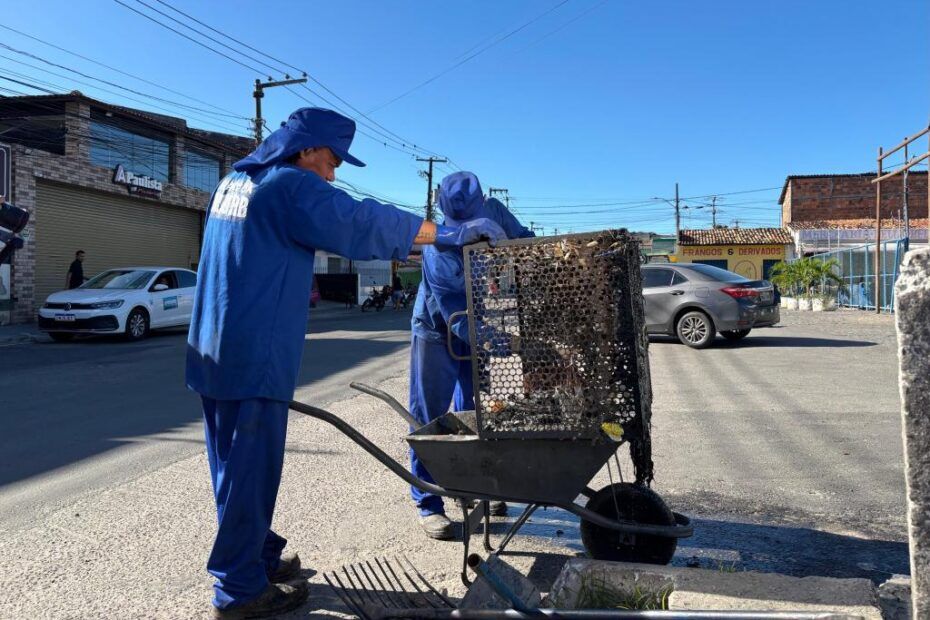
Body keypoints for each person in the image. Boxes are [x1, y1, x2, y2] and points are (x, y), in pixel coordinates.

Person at [186, 107, 506, 619]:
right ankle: (239, 589)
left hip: (212, 347)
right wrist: (445, 236)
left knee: (230, 466)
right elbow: (358, 220)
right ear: (306, 148)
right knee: (250, 469)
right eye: (332, 160)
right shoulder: (288, 185)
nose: (333, 173)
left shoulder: (234, 182)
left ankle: (254, 552)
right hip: (254, 354)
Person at [408, 171, 534, 540]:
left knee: (478, 410)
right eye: (456, 222)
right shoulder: (436, 251)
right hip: (439, 331)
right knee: (428, 419)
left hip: (478, 320)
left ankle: (477, 487)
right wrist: (502, 343)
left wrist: (526, 251)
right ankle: (428, 503)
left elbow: (525, 242)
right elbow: (457, 319)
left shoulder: (494, 211)